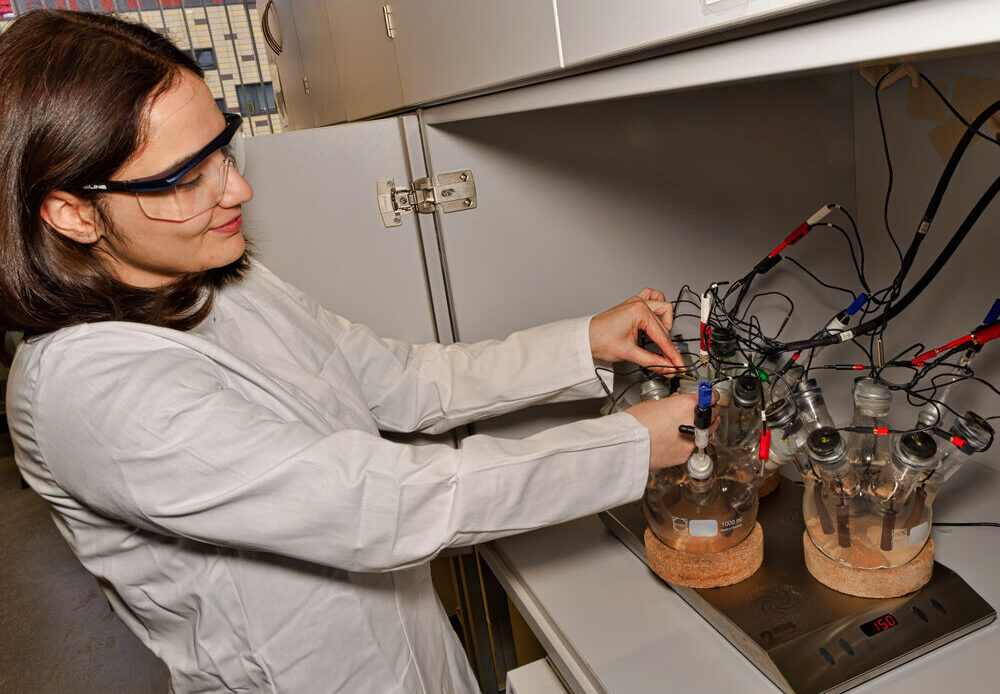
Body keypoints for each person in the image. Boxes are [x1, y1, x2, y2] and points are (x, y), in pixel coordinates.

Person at [0, 10, 701, 694]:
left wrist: (583, 344)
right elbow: (387, 504)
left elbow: (401, 381)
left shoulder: (205, 277)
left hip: (414, 645)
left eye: (223, 148)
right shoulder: (87, 392)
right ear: (72, 212)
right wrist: (631, 447)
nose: (236, 188)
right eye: (185, 179)